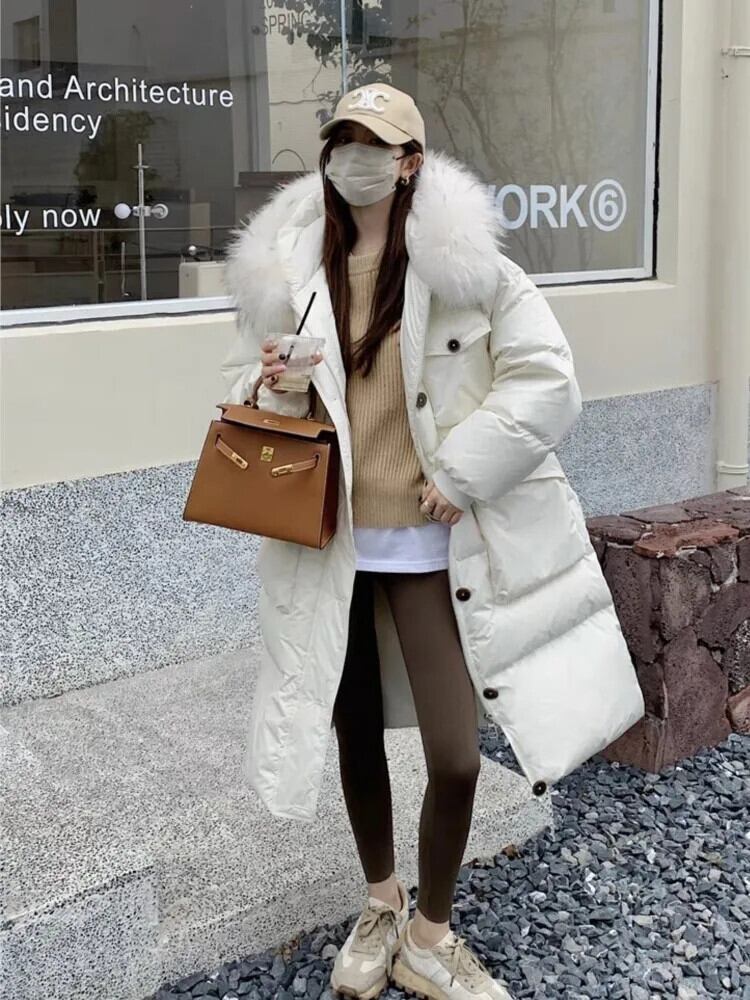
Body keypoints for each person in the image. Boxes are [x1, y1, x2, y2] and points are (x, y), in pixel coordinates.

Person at [221, 83, 644, 1000]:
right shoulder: (291, 270)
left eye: (374, 143)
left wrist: (459, 474)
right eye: (342, 139)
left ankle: (430, 933)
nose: (354, 157)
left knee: (456, 752)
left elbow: (548, 380)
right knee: (354, 732)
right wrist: (275, 386)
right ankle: (381, 904)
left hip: (428, 541)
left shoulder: (467, 267)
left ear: (410, 161)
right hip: (331, 541)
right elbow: (258, 406)